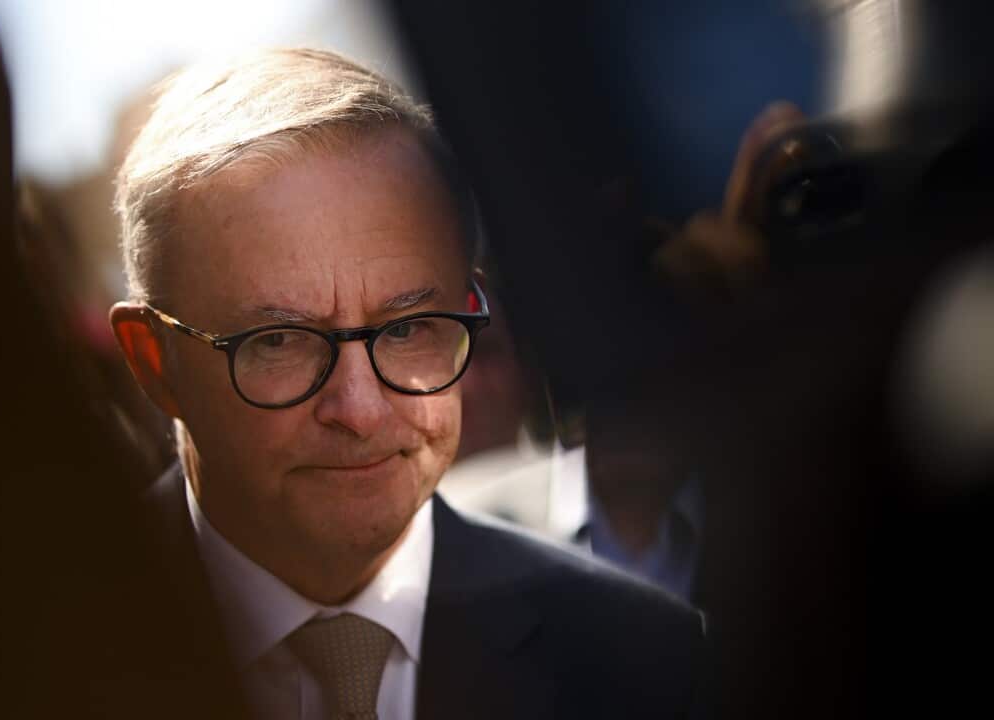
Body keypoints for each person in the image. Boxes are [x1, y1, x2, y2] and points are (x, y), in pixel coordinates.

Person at [108, 48, 707, 720]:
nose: (359, 410)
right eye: (279, 342)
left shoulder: (643, 661)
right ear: (155, 362)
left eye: (407, 328)